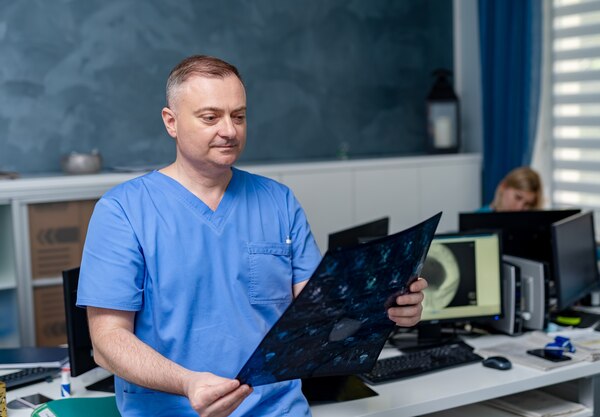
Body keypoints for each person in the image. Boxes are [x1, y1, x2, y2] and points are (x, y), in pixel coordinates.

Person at [76, 55, 429, 417]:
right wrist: (188, 383)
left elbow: (321, 316)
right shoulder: (123, 210)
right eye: (210, 117)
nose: (229, 130)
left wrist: (387, 310)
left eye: (239, 116)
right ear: (172, 122)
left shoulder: (278, 201)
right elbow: (108, 342)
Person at [479, 166, 544, 212]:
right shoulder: (475, 221)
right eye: (518, 197)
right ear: (503, 186)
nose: (519, 208)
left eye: (527, 204)